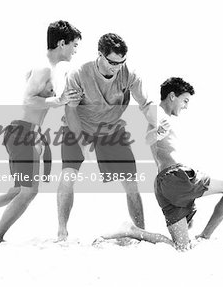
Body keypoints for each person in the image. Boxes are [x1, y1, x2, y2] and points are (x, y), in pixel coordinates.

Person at [0, 20, 82, 243]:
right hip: (23, 132)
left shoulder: (48, 69)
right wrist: (58, 99)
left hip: (30, 132)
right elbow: (28, 100)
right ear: (61, 43)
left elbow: (35, 94)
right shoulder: (44, 67)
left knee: (17, 190)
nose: (75, 51)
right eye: (74, 45)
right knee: (29, 191)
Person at [94, 77, 223, 250]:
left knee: (182, 246)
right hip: (177, 177)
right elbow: (148, 138)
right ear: (172, 96)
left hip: (163, 185)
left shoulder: (159, 115)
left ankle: (133, 231)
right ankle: (205, 236)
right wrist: (158, 132)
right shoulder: (157, 113)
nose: (186, 106)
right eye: (185, 100)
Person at [56, 33, 160, 241]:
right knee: (68, 176)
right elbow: (70, 111)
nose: (117, 67)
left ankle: (140, 231)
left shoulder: (127, 73)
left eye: (121, 62)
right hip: (79, 127)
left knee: (131, 182)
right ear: (100, 55)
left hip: (111, 129)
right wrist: (82, 143)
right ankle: (62, 232)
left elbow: (146, 105)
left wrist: (159, 124)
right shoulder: (79, 74)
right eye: (112, 62)